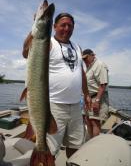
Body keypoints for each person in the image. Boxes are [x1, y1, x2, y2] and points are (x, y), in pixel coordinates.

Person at [22, 12, 91, 158]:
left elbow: (81, 73)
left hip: (75, 108)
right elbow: (26, 51)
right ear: (54, 27)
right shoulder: (47, 42)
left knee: (76, 146)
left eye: (70, 26)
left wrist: (86, 94)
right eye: (63, 25)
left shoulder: (77, 47)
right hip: (53, 106)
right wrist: (37, 26)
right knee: (51, 149)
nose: (66, 28)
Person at [82, 49, 109, 139]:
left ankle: (94, 145)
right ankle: (90, 143)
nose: (84, 60)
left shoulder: (100, 65)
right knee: (88, 121)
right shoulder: (89, 67)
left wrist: (97, 101)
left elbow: (103, 84)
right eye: (83, 59)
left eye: (86, 58)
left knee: (95, 122)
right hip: (89, 99)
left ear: (93, 55)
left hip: (97, 98)